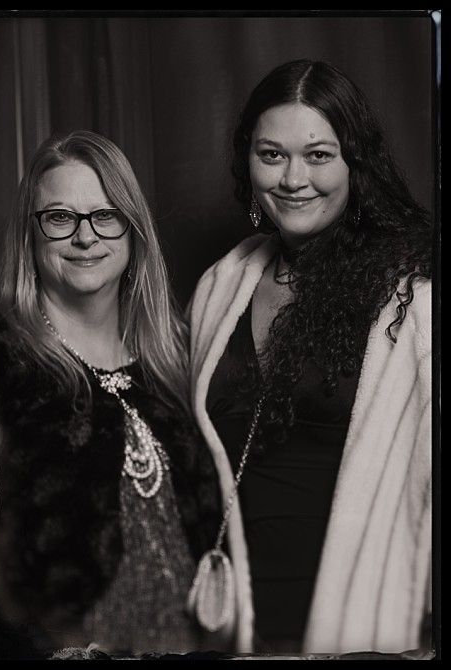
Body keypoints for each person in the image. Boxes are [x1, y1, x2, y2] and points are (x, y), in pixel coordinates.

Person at [188, 59, 432, 655]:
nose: (294, 178)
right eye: (272, 154)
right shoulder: (220, 287)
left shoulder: (415, 295)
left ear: (357, 162)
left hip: (369, 622)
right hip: (238, 625)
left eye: (319, 155)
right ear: (248, 161)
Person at [0, 130, 220, 658]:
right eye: (61, 217)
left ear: (133, 230)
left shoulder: (178, 350)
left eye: (105, 214)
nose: (86, 237)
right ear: (31, 234)